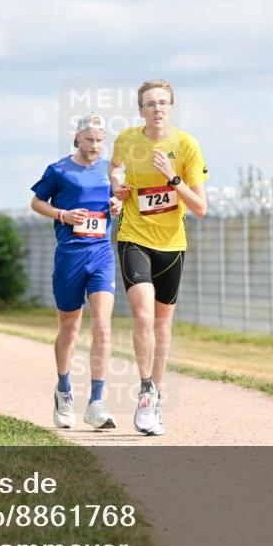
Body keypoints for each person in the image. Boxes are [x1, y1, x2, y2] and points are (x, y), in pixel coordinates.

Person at [109, 80, 208, 436]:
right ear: (141, 111)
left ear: (171, 107)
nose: (157, 109)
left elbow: (200, 208)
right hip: (134, 237)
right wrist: (117, 188)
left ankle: (157, 395)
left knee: (162, 325)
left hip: (172, 245)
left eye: (163, 102)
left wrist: (173, 179)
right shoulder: (127, 140)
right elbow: (115, 168)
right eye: (150, 104)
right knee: (143, 314)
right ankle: (146, 389)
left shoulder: (186, 145)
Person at [31, 113, 122, 430]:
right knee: (70, 328)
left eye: (100, 140)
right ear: (77, 138)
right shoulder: (59, 170)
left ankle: (96, 402)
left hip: (101, 254)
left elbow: (118, 199)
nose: (95, 145)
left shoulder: (110, 170)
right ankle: (64, 390)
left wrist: (118, 206)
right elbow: (36, 202)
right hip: (70, 255)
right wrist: (62, 214)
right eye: (90, 139)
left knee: (103, 326)